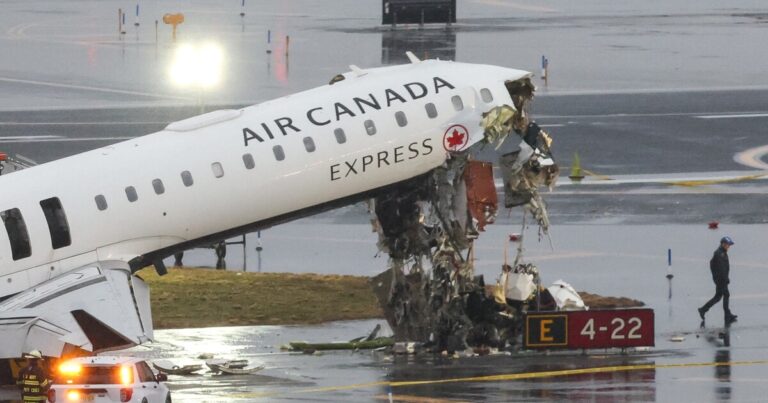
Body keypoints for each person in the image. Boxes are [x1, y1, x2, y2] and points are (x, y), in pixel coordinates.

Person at [698, 236, 738, 325]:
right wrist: (724, 279)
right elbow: (721, 269)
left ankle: (703, 309)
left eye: (729, 245)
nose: (729, 246)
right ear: (723, 244)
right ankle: (727, 315)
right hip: (721, 280)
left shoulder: (722, 252)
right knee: (725, 295)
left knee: (718, 297)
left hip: (721, 279)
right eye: (728, 245)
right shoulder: (719, 254)